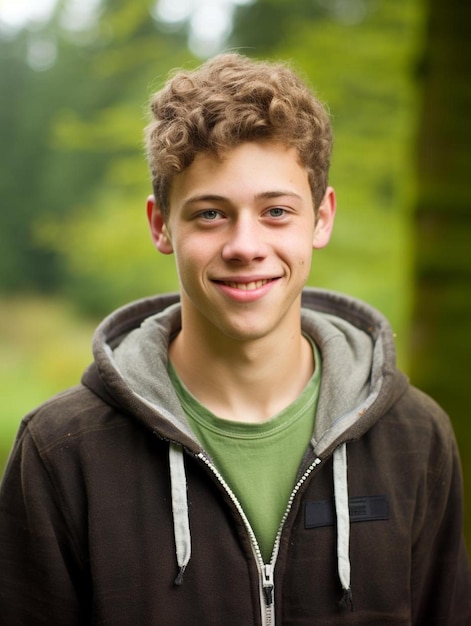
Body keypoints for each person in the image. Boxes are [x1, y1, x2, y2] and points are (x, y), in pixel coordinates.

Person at [0, 53, 470, 626]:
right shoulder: (61, 452)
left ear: (321, 218)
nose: (245, 245)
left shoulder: (415, 437)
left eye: (275, 210)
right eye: (210, 214)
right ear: (160, 225)